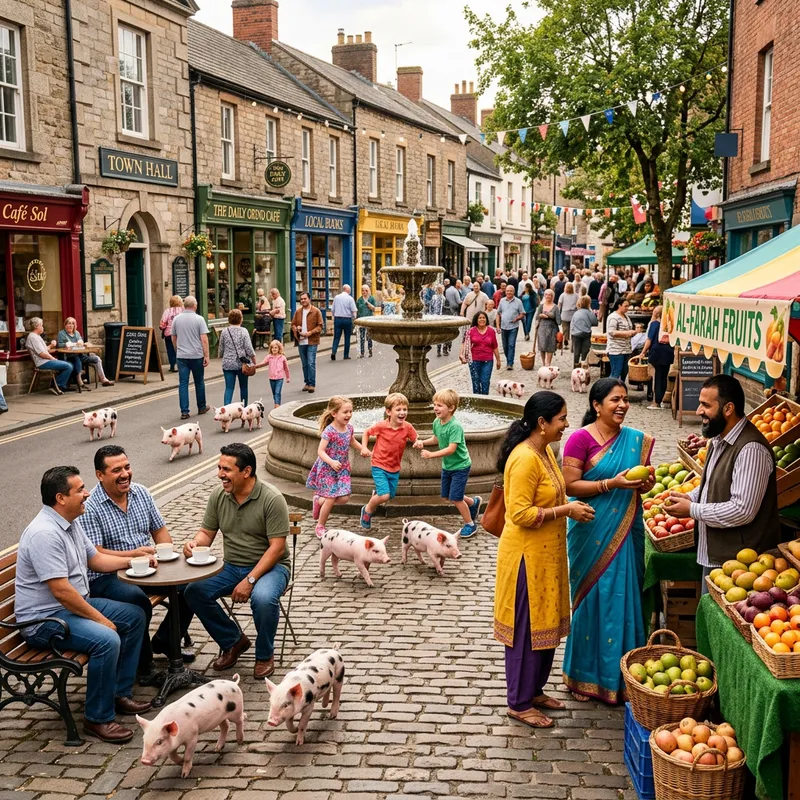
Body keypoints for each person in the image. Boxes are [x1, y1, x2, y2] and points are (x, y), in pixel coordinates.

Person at [16, 466, 153, 742]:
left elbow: (96, 560)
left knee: (135, 615)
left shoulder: (71, 522)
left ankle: (119, 693)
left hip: (71, 606)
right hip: (43, 621)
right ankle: (97, 718)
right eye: (80, 489)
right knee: (106, 638)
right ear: (61, 498)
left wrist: (134, 559)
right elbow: (62, 592)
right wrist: (101, 621)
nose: (87, 493)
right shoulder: (45, 533)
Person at [494, 392, 595, 728]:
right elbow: (519, 512)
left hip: (547, 555)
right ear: (542, 422)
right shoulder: (524, 458)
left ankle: (534, 689)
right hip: (525, 557)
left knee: (545, 625)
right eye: (562, 419)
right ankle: (518, 702)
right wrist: (566, 510)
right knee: (525, 629)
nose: (567, 425)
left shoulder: (546, 453)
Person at [561, 379, 655, 703]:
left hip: (625, 531)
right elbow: (570, 486)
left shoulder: (634, 440)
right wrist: (609, 484)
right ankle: (583, 678)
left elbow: (638, 487)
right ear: (597, 404)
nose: (623, 405)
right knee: (591, 602)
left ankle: (622, 678)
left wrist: (643, 484)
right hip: (590, 531)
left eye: (626, 399)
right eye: (615, 399)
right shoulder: (579, 439)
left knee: (621, 599)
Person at [82, 445, 195, 685]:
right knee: (136, 599)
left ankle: (165, 642)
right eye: (116, 470)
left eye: (127, 467)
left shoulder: (141, 493)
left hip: (147, 568)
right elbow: (96, 553)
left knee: (190, 587)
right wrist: (133, 555)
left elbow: (161, 532)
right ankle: (145, 668)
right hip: (107, 576)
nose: (125, 474)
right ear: (100, 475)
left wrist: (165, 556)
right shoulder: (90, 507)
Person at [183, 443, 290, 679]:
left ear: (247, 471)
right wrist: (194, 544)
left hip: (271, 568)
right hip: (231, 566)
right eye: (219, 468)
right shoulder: (219, 496)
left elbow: (277, 549)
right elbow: (206, 533)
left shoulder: (271, 498)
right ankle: (233, 641)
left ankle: (264, 655)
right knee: (193, 591)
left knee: (262, 598)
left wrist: (250, 580)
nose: (220, 474)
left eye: (227, 469)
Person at [663, 375, 778, 589]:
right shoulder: (719, 439)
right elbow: (713, 484)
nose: (698, 411)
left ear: (728, 409)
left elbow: (742, 510)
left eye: (706, 405)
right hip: (719, 558)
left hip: (742, 566)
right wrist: (690, 496)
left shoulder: (751, 449)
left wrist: (693, 509)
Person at [414, 389, 481, 538]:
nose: (435, 408)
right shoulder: (437, 422)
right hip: (448, 466)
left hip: (460, 466)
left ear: (451, 408)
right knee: (447, 496)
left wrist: (431, 455)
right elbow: (436, 439)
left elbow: (451, 449)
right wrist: (422, 442)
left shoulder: (455, 426)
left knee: (456, 498)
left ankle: (470, 524)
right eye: (434, 405)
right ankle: (472, 502)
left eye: (439, 405)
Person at [357, 393, 418, 529]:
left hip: (394, 467)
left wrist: (418, 442)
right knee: (384, 496)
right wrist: (364, 448)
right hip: (379, 464)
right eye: (398, 410)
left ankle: (376, 495)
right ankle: (367, 510)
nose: (402, 412)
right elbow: (366, 432)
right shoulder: (382, 426)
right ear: (388, 412)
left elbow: (415, 437)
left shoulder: (407, 427)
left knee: (390, 495)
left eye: (405, 409)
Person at [307, 396, 361, 537]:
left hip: (342, 469)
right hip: (327, 469)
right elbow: (320, 451)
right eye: (345, 412)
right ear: (334, 414)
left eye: (350, 411)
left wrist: (363, 450)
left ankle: (319, 500)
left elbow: (353, 441)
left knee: (344, 498)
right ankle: (320, 525)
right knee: (331, 497)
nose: (349, 415)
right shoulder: (329, 431)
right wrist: (331, 462)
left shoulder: (349, 428)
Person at [171, 296, 210, 420]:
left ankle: (184, 411)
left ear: (184, 305)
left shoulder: (176, 319)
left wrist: (178, 350)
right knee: (199, 381)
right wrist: (207, 355)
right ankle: (202, 407)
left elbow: (173, 337)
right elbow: (204, 339)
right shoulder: (199, 319)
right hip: (196, 355)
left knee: (183, 383)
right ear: (195, 305)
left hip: (182, 356)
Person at [58, 317, 114, 388]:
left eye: (73, 324)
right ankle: (79, 379)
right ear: (65, 325)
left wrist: (81, 343)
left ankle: (103, 379)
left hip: (81, 354)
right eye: (69, 323)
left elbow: (80, 341)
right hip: (69, 356)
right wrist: (71, 344)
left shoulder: (76, 333)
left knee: (97, 358)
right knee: (77, 360)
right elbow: (60, 345)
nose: (71, 325)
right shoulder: (62, 333)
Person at [25, 317, 75, 394]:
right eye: (41, 325)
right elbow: (41, 354)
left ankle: (59, 384)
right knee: (68, 366)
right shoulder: (33, 337)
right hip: (42, 362)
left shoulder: (37, 336)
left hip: (45, 360)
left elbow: (44, 350)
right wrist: (52, 358)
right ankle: (57, 385)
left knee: (69, 364)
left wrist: (51, 345)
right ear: (37, 326)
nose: (43, 327)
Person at [218, 309, 257, 408]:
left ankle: (226, 410)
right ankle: (243, 409)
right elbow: (249, 349)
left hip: (227, 364)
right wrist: (254, 361)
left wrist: (222, 355)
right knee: (243, 387)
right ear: (241, 319)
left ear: (229, 319)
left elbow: (221, 349)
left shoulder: (224, 332)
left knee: (229, 388)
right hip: (242, 364)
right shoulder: (244, 331)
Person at [640, 306, 674, 410]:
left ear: (657, 314)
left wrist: (643, 351)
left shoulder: (655, 324)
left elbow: (649, 340)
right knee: (664, 377)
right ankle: (661, 400)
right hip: (668, 352)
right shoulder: (669, 325)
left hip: (657, 352)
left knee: (657, 377)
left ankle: (656, 402)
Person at [461, 311, 500, 395]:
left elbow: (495, 346)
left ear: (486, 319)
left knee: (485, 381)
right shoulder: (471, 331)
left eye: (483, 318)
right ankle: (477, 401)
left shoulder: (491, 331)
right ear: (476, 320)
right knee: (475, 382)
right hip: (474, 361)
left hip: (488, 361)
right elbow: (465, 343)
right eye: (480, 318)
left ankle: (485, 400)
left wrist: (498, 360)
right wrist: (461, 355)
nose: (482, 320)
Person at [291, 292, 323, 394]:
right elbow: (293, 324)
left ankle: (312, 384)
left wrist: (310, 333)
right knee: (304, 364)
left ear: (309, 299)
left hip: (312, 341)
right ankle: (307, 382)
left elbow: (320, 326)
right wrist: (296, 328)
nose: (303, 300)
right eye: (301, 299)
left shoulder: (316, 311)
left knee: (310, 363)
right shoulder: (298, 312)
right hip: (301, 341)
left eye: (305, 299)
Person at [496, 285, 525, 370]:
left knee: (511, 345)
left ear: (514, 292)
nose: (509, 292)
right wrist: (498, 326)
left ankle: (510, 363)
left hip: (513, 327)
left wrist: (517, 318)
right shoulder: (502, 301)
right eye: (507, 291)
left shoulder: (518, 301)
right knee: (505, 346)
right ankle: (509, 358)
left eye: (511, 291)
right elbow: (498, 313)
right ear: (505, 291)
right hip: (504, 327)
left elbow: (522, 313)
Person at [606, 298, 635, 381]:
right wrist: (627, 333)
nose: (627, 308)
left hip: (626, 349)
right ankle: (610, 390)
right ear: (619, 306)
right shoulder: (613, 317)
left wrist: (633, 333)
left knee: (624, 371)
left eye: (628, 306)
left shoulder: (626, 317)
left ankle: (620, 389)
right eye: (625, 306)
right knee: (616, 372)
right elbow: (612, 332)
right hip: (616, 350)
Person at [259, 339, 290, 408]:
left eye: (276, 348)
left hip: (280, 378)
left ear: (279, 348)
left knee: (277, 392)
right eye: (272, 348)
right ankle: (277, 403)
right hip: (271, 378)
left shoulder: (282, 358)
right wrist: (255, 366)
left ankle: (277, 405)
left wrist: (288, 377)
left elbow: (286, 368)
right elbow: (263, 363)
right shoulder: (269, 357)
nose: (274, 349)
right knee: (274, 393)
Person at [534, 289, 561, 367]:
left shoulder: (555, 307)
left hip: (552, 330)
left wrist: (550, 315)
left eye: (550, 295)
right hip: (542, 329)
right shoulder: (541, 306)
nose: (548, 296)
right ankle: (543, 363)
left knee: (550, 346)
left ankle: (548, 364)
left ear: (553, 297)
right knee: (542, 346)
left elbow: (559, 321)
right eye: (546, 294)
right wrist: (541, 316)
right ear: (544, 296)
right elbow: (537, 317)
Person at [331, 284, 358, 360]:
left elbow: (332, 309)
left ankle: (334, 351)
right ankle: (346, 355)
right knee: (347, 338)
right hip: (347, 319)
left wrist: (334, 316)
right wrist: (354, 318)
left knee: (336, 337)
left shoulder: (336, 297)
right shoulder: (350, 299)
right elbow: (354, 310)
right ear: (348, 290)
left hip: (338, 319)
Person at [570, 296, 598, 368]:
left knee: (576, 351)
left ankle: (576, 365)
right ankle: (583, 364)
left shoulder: (576, 313)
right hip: (586, 333)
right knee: (585, 350)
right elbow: (595, 322)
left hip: (575, 334)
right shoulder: (589, 312)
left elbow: (572, 324)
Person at [159, 296, 183, 372]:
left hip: (169, 334)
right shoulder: (183, 310)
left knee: (170, 349)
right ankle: (181, 364)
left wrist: (163, 327)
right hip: (180, 333)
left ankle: (173, 365)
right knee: (180, 349)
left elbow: (162, 324)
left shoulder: (167, 311)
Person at [431, 285, 452, 357]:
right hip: (441, 318)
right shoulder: (442, 298)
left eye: (440, 289)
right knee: (443, 334)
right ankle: (442, 349)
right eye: (439, 289)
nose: (440, 290)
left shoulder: (437, 297)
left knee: (440, 334)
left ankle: (440, 350)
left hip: (438, 317)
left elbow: (431, 308)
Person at [356, 285, 376, 358]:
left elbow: (374, 309)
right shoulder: (359, 300)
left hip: (369, 320)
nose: (364, 292)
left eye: (365, 290)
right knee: (362, 337)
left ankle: (370, 350)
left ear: (368, 291)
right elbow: (357, 311)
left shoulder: (372, 299)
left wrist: (368, 303)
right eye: (362, 290)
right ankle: (362, 352)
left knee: (369, 336)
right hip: (361, 320)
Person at [557, 283, 577, 351]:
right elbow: (578, 304)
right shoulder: (576, 295)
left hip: (565, 314)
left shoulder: (562, 295)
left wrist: (558, 313)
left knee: (565, 329)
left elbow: (559, 304)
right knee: (573, 329)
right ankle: (573, 342)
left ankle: (566, 340)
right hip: (573, 314)